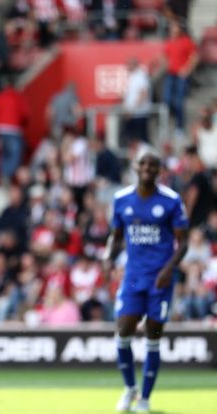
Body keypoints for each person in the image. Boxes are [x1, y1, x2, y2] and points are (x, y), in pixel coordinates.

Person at [103, 148, 189, 413]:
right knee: (124, 328)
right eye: (143, 163)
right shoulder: (121, 199)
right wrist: (108, 258)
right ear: (135, 166)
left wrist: (169, 270)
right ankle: (130, 388)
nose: (148, 168)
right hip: (133, 276)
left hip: (160, 279)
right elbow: (116, 236)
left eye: (154, 165)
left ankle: (145, 399)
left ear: (161, 170)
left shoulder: (172, 200)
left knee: (153, 334)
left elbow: (183, 243)